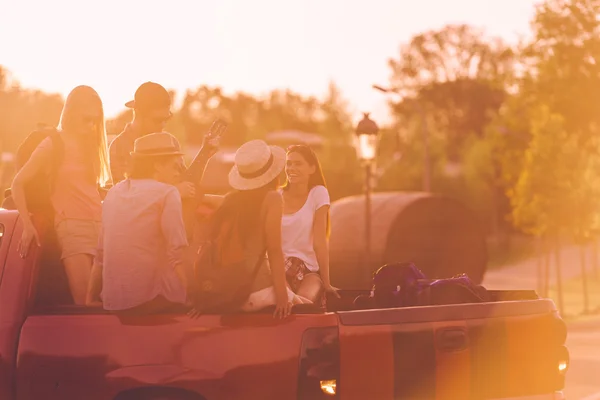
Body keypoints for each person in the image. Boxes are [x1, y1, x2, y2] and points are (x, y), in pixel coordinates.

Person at [11, 85, 111, 305]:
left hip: (101, 226)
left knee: (105, 303)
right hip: (72, 226)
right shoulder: (52, 144)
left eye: (95, 120)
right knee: (85, 302)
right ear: (72, 113)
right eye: (86, 119)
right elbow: (18, 182)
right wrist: (27, 225)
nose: (91, 125)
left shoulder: (90, 145)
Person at [198, 139, 308, 318]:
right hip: (258, 292)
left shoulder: (230, 201)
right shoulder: (272, 199)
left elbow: (206, 199)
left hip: (232, 295)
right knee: (310, 306)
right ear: (272, 174)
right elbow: (274, 251)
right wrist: (282, 297)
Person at [86, 132, 189, 315]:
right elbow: (177, 252)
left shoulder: (114, 192)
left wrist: (90, 298)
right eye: (174, 166)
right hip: (152, 303)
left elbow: (100, 255)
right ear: (157, 165)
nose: (177, 172)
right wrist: (195, 297)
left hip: (114, 304)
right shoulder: (168, 193)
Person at [109, 81, 195, 199]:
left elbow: (185, 182)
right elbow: (124, 197)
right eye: (157, 120)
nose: (163, 125)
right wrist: (173, 192)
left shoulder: (170, 142)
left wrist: (205, 154)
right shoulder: (118, 146)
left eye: (166, 119)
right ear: (137, 112)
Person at [280, 144, 339, 307]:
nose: (291, 168)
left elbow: (320, 242)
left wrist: (327, 284)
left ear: (312, 169)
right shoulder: (275, 197)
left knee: (303, 306)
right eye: (289, 163)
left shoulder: (318, 193)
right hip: (277, 270)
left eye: (298, 163)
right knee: (288, 303)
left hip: (308, 270)